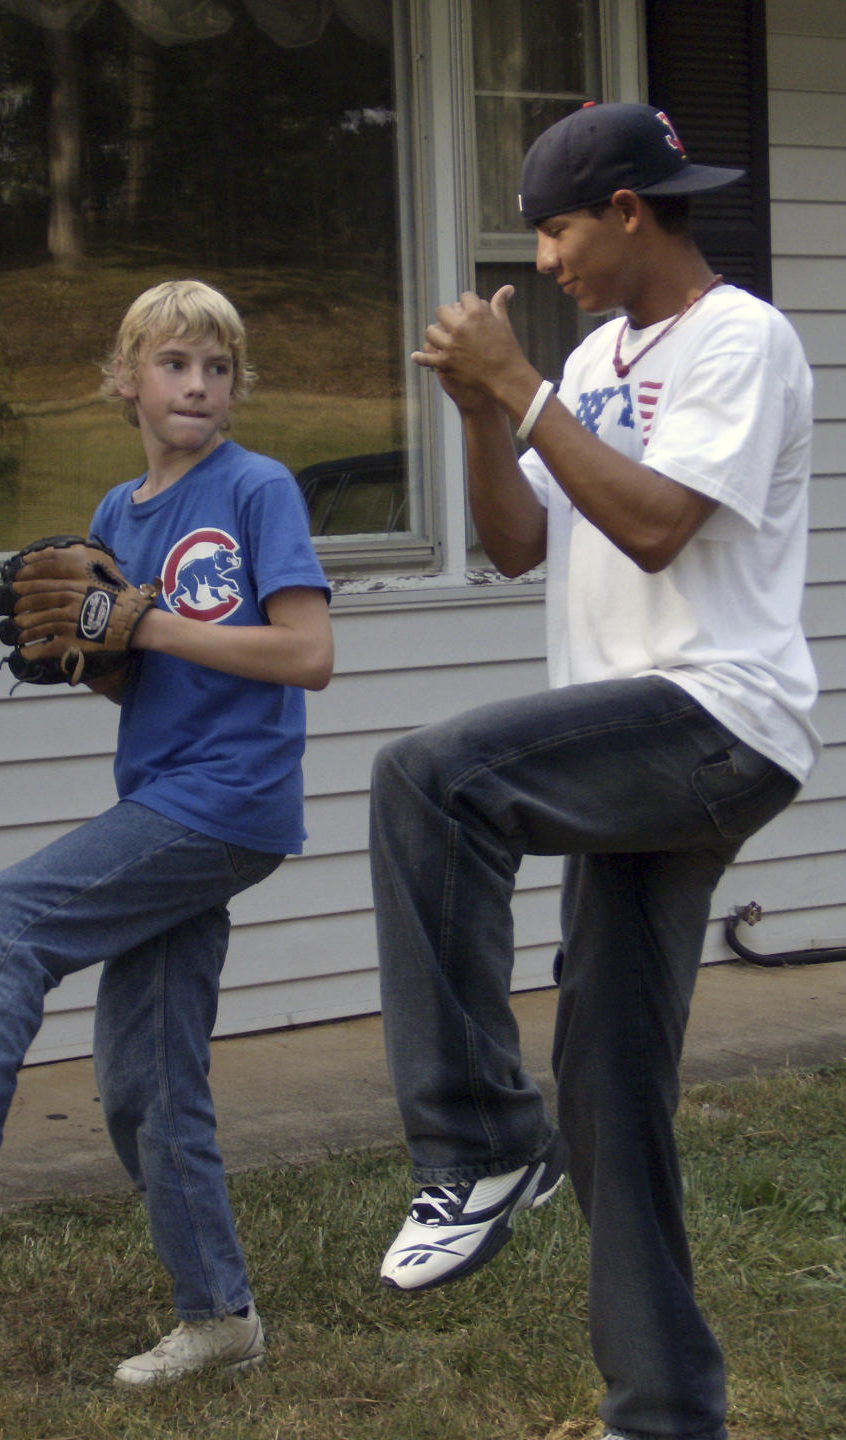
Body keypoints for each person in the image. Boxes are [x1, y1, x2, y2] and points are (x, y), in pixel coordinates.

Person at [370, 103, 819, 1440]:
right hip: (630, 734)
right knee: (612, 1089)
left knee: (427, 777)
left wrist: (521, 386)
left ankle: (480, 1143)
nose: (546, 258)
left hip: (715, 720)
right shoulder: (601, 358)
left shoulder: (743, 337)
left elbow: (659, 527)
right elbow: (521, 546)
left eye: (557, 228)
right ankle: (665, 1411)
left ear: (629, 209)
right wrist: (477, 413)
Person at [0, 279, 333, 1386]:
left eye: (218, 369)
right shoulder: (117, 514)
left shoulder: (257, 487)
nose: (199, 386)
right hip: (162, 789)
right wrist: (83, 657)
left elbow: (307, 655)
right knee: (149, 1087)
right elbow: (137, 676)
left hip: (226, 800)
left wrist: (152, 621)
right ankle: (220, 1318)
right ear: (127, 380)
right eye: (176, 365)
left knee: (4, 919)